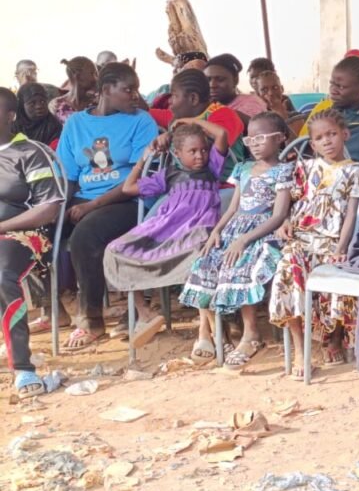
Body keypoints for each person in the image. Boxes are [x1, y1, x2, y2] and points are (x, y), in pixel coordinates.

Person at [56, 62, 159, 351]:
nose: (135, 96)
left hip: (128, 200)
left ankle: (91, 321)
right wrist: (58, 208)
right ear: (105, 91)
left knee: (85, 235)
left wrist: (92, 207)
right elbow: (68, 176)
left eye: (136, 89)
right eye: (128, 89)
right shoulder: (76, 123)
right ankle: (51, 308)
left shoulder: (141, 121)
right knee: (40, 229)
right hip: (85, 197)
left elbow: (137, 178)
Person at [102, 118, 229, 348]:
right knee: (116, 249)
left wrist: (188, 122)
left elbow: (221, 133)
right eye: (192, 151)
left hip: (199, 229)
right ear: (177, 153)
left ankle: (204, 329)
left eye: (203, 149)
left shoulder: (212, 168)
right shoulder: (168, 174)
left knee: (201, 253)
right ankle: (145, 312)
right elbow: (129, 188)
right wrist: (143, 158)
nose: (200, 155)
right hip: (166, 229)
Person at [181, 113, 294, 365]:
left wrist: (244, 240)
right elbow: (232, 209)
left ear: (281, 138)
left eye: (261, 138)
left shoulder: (284, 171)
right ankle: (214, 332)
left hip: (262, 231)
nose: (254, 143)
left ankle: (251, 333)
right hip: (235, 228)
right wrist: (217, 231)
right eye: (249, 139)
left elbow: (278, 216)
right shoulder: (243, 169)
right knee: (204, 262)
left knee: (240, 264)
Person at [270, 109, 359, 373]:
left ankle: (333, 338)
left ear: (344, 135)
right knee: (287, 270)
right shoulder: (303, 168)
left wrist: (341, 247)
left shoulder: (357, 171)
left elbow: (351, 214)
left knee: (336, 273)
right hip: (302, 238)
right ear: (312, 144)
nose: (327, 141)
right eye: (320, 137)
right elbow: (288, 203)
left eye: (332, 134)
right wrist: (284, 222)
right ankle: (300, 349)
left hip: (332, 241)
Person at [0, 88, 64, 398]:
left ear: (10, 116)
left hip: (24, 236)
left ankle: (23, 370)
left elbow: (48, 208)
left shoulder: (29, 153)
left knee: (2, 276)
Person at [148, 68, 246, 171]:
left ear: (193, 98)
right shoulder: (180, 115)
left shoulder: (225, 115)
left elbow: (206, 150)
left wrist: (171, 135)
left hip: (224, 184)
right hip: (185, 181)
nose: (169, 100)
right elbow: (142, 111)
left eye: (174, 96)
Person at [205, 53, 266, 124]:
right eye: (208, 80)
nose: (212, 85)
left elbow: (254, 125)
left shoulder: (252, 103)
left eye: (220, 79)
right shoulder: (205, 105)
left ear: (235, 80)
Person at [49, 57, 99, 123]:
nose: (96, 78)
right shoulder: (56, 105)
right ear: (78, 77)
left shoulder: (97, 103)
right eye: (92, 73)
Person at [14, 84, 62, 148]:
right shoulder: (13, 128)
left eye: (42, 101)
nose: (39, 106)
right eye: (32, 103)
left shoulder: (54, 126)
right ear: (22, 106)